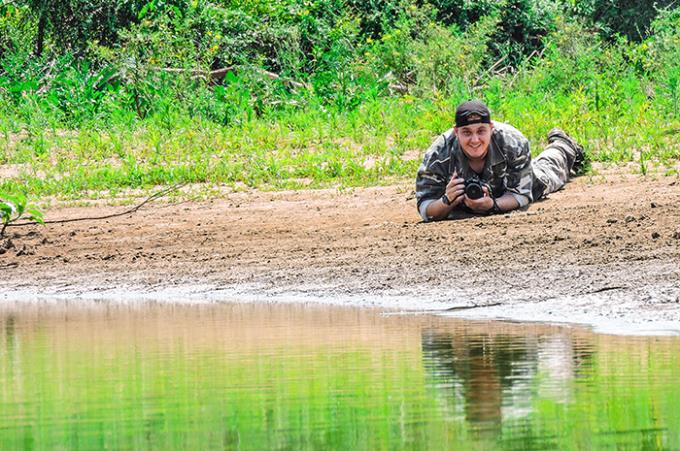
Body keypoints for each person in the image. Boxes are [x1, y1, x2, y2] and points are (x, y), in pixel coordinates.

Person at [415, 100, 584, 221]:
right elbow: (425, 208)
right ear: (456, 132)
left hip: (508, 186)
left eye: (481, 131)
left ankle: (563, 144)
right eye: (467, 132)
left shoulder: (512, 141)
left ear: (491, 128)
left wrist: (493, 205)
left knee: (548, 173)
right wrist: (446, 201)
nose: (474, 140)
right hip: (461, 201)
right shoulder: (438, 154)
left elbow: (523, 196)